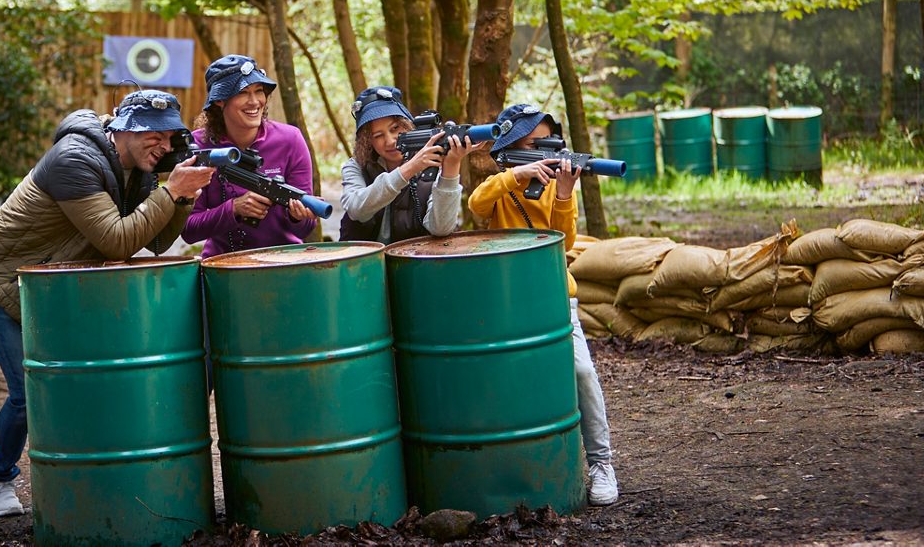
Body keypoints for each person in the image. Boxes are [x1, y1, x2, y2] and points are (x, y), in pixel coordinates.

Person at [0, 90, 215, 517]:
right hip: (1, 276)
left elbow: (153, 241)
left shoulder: (135, 167)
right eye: (153, 135)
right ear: (123, 128)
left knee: (76, 382)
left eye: (170, 138)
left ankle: (87, 476)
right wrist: (170, 193)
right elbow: (115, 239)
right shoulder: (74, 161)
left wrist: (182, 197)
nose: (163, 145)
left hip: (54, 283)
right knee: (28, 393)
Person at [466, 103, 620, 507]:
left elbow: (564, 241)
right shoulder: (500, 183)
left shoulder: (556, 184)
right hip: (507, 299)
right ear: (513, 148)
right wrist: (516, 175)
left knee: (583, 372)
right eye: (536, 144)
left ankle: (602, 464)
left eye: (551, 141)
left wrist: (566, 193)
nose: (546, 150)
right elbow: (476, 205)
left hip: (554, 292)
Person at [181, 54, 317, 258]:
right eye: (243, 93)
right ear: (219, 100)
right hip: (222, 264)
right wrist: (233, 209)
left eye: (259, 91)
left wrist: (298, 217)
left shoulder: (290, 139)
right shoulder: (198, 145)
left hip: (285, 260)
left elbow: (305, 230)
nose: (254, 102)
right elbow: (189, 230)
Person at [339, 86, 484, 243]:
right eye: (378, 135)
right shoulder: (355, 166)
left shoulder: (433, 159)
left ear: (407, 125)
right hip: (363, 264)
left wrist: (452, 166)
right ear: (368, 142)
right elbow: (356, 209)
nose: (390, 141)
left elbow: (441, 228)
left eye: (395, 128)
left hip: (414, 262)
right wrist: (410, 169)